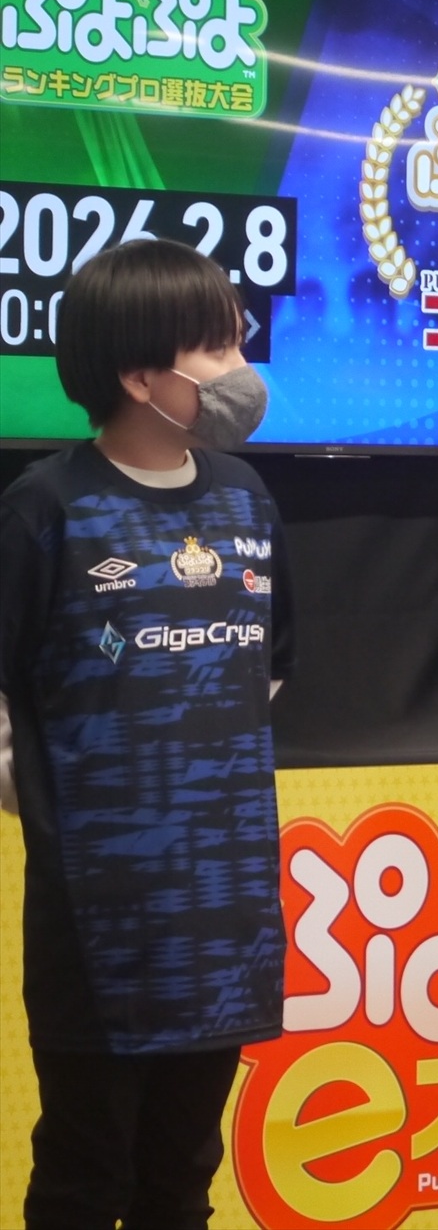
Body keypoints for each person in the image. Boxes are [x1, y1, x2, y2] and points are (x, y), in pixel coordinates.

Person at [0, 238, 292, 1229]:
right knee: (85, 1177)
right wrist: (65, 800)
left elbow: (270, 664)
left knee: (182, 1179)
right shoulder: (45, 510)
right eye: (217, 348)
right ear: (139, 375)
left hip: (226, 917)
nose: (240, 369)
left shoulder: (247, 498)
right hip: (99, 923)